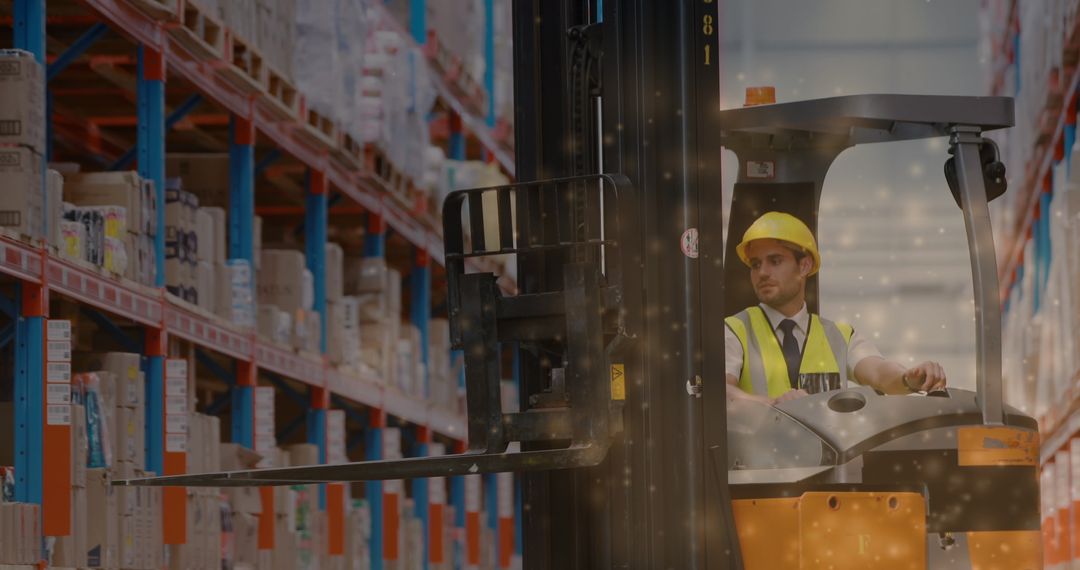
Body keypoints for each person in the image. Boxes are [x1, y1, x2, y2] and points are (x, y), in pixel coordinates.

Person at [724, 211, 947, 405]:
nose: (762, 273)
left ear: (804, 265)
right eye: (756, 264)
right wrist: (776, 406)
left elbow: (879, 373)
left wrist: (908, 378)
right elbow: (722, 392)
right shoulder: (734, 330)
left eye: (775, 261)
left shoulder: (840, 337)